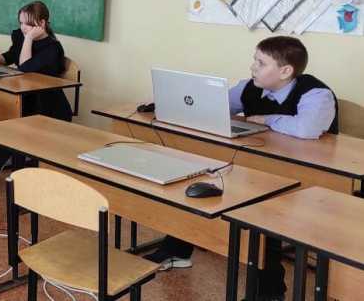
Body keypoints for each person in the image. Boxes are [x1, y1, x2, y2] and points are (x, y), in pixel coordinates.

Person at [144, 36, 337, 301]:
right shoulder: (249, 86)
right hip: (258, 167)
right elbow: (216, 105)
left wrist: (266, 119)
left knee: (265, 211)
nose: (252, 67)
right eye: (254, 60)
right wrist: (173, 103)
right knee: (196, 181)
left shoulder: (316, 94)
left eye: (261, 63)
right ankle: (177, 249)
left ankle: (270, 292)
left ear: (285, 71)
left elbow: (306, 128)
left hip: (309, 181)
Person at [0, 1, 73, 193]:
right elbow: (11, 56)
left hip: (47, 106)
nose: (23, 28)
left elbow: (25, 67)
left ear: (42, 23)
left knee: (11, 126)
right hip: (25, 99)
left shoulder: (52, 48)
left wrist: (29, 39)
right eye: (21, 23)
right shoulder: (20, 36)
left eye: (28, 24)